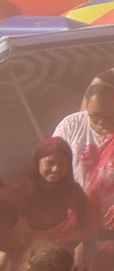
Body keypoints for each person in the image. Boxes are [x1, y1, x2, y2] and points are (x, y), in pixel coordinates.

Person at [13, 138, 98, 246]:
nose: (56, 169)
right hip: (32, 253)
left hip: (65, 253)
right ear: (37, 162)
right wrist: (42, 239)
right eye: (50, 163)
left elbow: (92, 231)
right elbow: (17, 232)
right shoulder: (21, 191)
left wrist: (67, 238)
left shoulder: (74, 191)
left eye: (62, 164)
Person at [54, 75, 114, 220]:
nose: (100, 121)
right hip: (74, 216)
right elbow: (50, 159)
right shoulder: (71, 125)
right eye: (94, 116)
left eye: (108, 116)